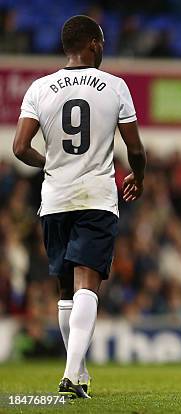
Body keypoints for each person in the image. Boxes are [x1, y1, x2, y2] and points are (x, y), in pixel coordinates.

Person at [12, 15, 146, 398]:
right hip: (96, 197)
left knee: (65, 290)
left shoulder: (39, 88)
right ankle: (73, 372)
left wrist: (50, 163)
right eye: (101, 42)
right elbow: (134, 148)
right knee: (88, 283)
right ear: (92, 44)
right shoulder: (115, 87)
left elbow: (20, 148)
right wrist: (139, 175)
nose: (102, 48)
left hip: (54, 199)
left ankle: (79, 373)